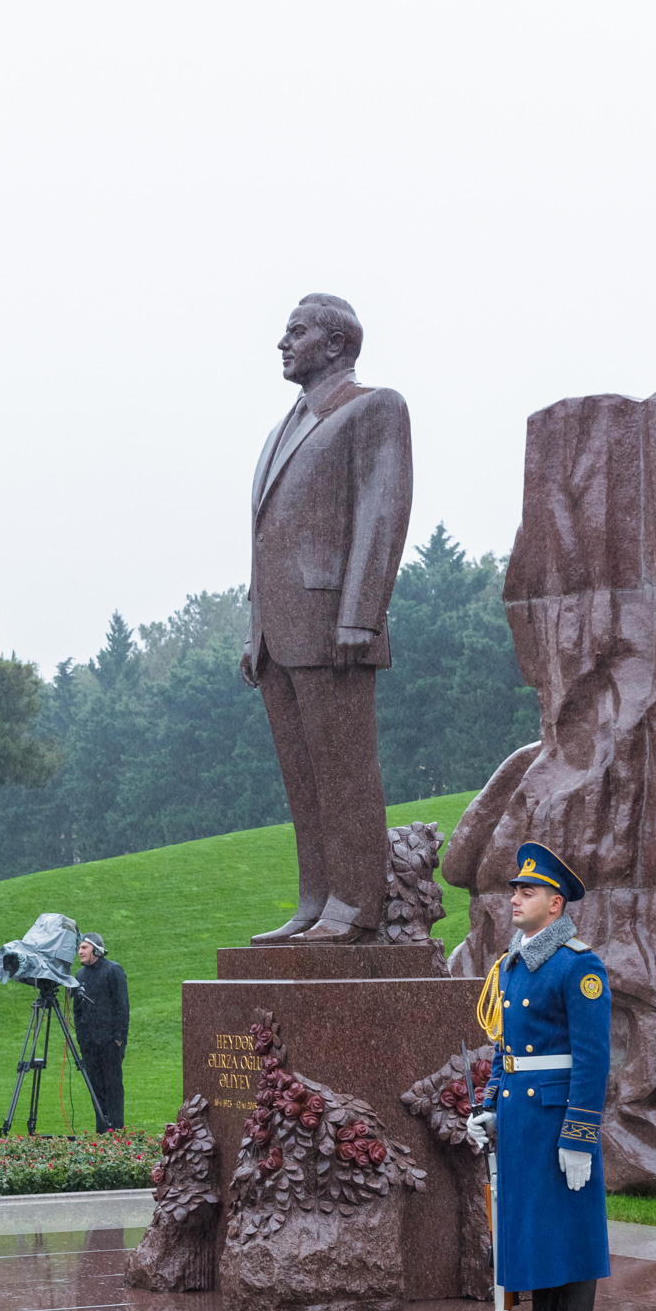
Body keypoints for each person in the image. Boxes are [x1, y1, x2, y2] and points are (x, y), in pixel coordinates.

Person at [242, 294, 412, 945]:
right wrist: (253, 628)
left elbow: (382, 509)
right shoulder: (283, 427)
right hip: (276, 632)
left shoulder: (374, 407)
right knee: (302, 778)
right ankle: (315, 899)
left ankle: (355, 904)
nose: (282, 343)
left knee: (343, 771)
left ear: (336, 344)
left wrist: (360, 616)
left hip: (333, 623)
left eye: (296, 332)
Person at [465, 843, 611, 1311]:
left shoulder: (578, 966)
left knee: (569, 1242)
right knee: (539, 1241)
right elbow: (507, 1049)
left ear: (555, 904)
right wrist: (492, 1107)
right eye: (514, 891)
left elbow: (592, 1059)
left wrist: (580, 1135)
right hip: (524, 1124)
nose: (515, 900)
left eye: (527, 892)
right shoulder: (514, 965)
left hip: (558, 1125)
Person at [72, 931, 129, 1131]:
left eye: (84, 947)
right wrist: (81, 1039)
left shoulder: (113, 970)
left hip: (110, 1043)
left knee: (113, 1088)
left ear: (96, 949)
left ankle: (117, 1133)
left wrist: (119, 1040)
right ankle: (102, 1132)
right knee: (96, 1089)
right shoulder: (79, 975)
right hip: (90, 1045)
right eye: (79, 948)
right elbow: (77, 1012)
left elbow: (122, 1007)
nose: (79, 951)